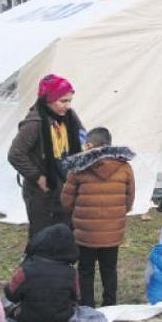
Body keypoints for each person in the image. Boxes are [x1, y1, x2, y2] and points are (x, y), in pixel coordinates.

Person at [61, 127, 136, 308]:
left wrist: (77, 216)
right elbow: (129, 199)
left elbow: (66, 201)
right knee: (109, 269)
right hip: (112, 231)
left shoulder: (78, 168)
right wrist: (115, 214)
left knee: (85, 270)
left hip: (86, 233)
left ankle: (87, 305)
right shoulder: (125, 167)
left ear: (89, 145)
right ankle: (110, 304)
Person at [8, 74, 85, 248]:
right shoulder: (34, 123)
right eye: (63, 101)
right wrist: (38, 177)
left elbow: (82, 138)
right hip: (41, 194)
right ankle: (35, 270)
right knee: (41, 237)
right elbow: (15, 154)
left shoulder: (69, 116)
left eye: (70, 101)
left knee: (65, 234)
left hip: (65, 187)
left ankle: (60, 270)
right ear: (48, 99)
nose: (68, 105)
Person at [4, 224, 82, 322]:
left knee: (6, 305)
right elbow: (76, 297)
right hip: (62, 320)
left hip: (27, 320)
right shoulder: (72, 273)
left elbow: (11, 295)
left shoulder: (26, 270)